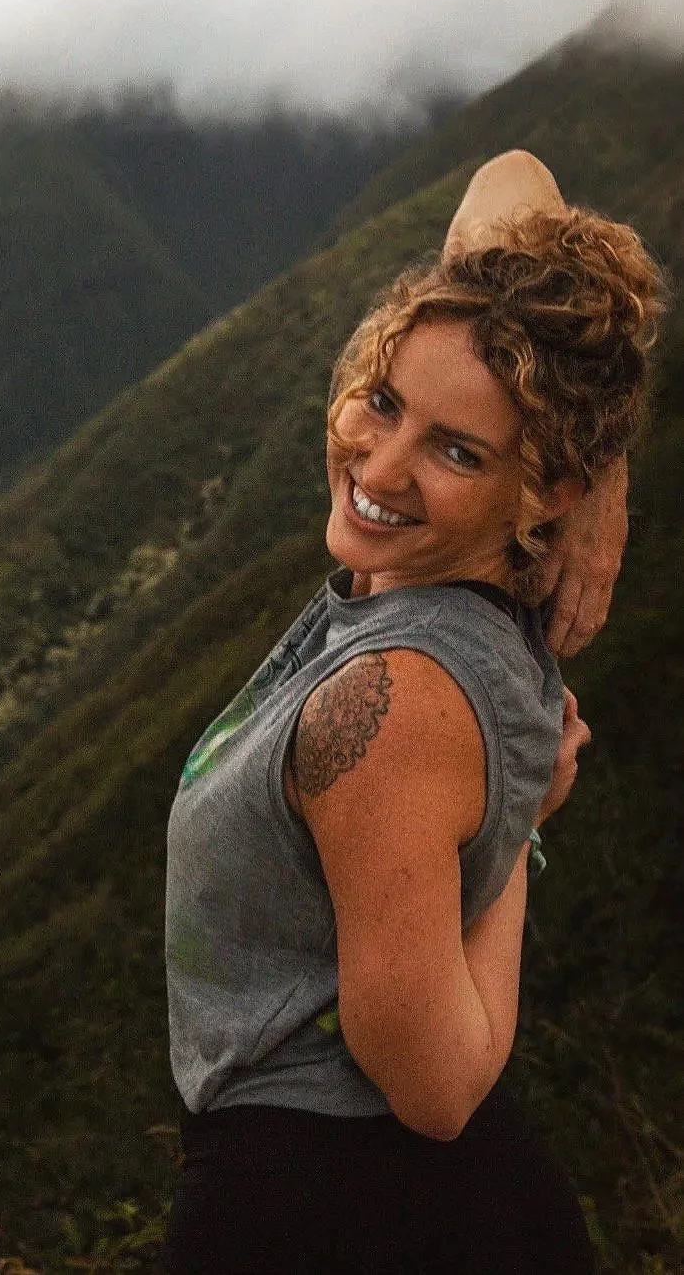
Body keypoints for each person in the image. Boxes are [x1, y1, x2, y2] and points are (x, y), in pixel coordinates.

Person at [164, 151, 666, 1274]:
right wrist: (609, 454)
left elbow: (437, 1088)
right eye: (383, 400)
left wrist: (523, 832)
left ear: (541, 492)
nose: (380, 463)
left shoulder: (396, 706)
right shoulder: (457, 582)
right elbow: (512, 177)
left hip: (347, 1211)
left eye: (455, 450)